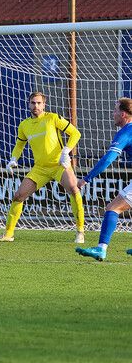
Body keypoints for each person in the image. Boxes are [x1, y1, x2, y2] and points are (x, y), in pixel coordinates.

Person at [0, 91, 84, 244]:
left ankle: (80, 231)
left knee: (74, 189)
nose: (36, 106)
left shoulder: (52, 118)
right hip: (40, 168)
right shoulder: (24, 125)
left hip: (59, 165)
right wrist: (14, 158)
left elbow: (75, 133)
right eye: (33, 103)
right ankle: (8, 234)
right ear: (29, 104)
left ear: (44, 105)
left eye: (39, 103)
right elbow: (19, 144)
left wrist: (66, 151)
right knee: (18, 196)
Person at [76, 98, 132, 261]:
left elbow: (108, 159)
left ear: (122, 114)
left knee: (113, 208)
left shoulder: (126, 132)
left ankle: (101, 249)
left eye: (115, 111)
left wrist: (86, 178)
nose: (112, 114)